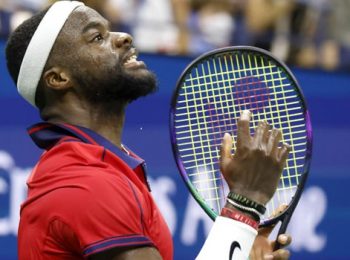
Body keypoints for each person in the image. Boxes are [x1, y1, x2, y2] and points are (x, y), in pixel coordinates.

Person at [5, 1, 291, 259]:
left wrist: (237, 244)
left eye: (110, 30)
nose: (123, 37)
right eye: (97, 37)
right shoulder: (85, 181)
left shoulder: (100, 166)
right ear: (58, 78)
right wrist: (245, 203)